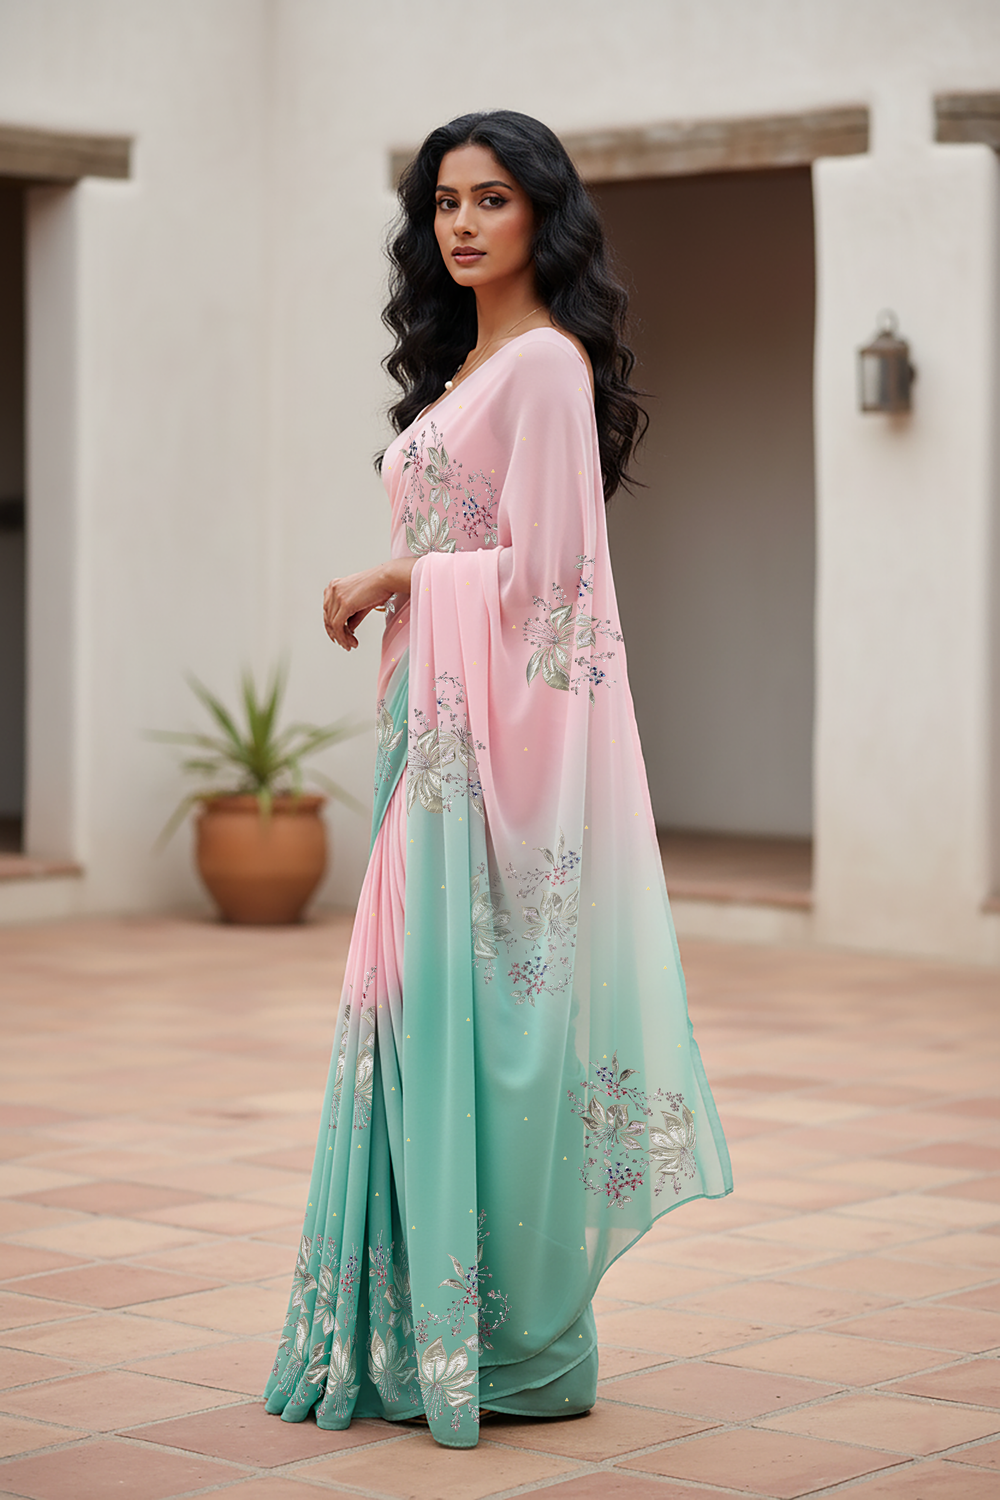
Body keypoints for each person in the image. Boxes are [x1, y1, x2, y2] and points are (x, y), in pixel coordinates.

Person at [264, 109, 732, 1450]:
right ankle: (428, 1326)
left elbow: (553, 586)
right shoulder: (470, 374)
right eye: (445, 203)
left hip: (489, 761)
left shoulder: (544, 370)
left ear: (544, 216)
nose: (461, 223)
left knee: (472, 1025)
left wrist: (404, 574)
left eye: (491, 200)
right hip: (432, 746)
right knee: (412, 1019)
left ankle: (508, 1337)